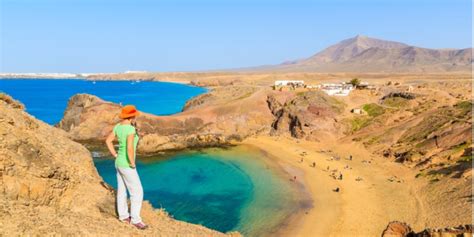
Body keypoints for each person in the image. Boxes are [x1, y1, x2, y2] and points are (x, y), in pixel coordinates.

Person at [106, 105, 148, 230]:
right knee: (137, 192)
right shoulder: (130, 129)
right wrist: (132, 163)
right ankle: (135, 220)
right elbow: (130, 148)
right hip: (127, 164)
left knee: (122, 190)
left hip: (118, 162)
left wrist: (114, 154)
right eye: (134, 116)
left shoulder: (118, 126)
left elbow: (108, 141)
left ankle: (123, 216)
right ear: (131, 117)